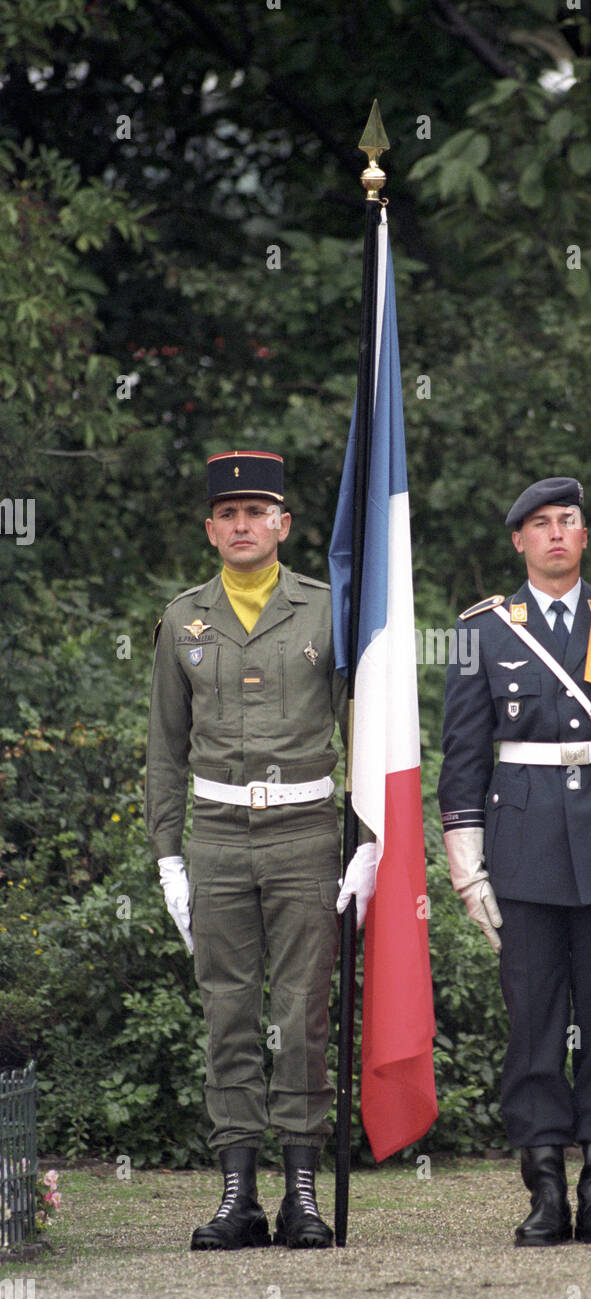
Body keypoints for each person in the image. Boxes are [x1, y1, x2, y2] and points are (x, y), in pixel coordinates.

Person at [145, 449, 375, 1251]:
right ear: (211, 529)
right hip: (215, 839)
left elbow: (367, 732)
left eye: (258, 512)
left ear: (285, 524)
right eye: (228, 514)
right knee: (229, 1015)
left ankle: (302, 1194)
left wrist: (370, 838)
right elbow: (164, 748)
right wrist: (169, 857)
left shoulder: (330, 609)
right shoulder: (183, 618)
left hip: (306, 836)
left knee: (302, 1015)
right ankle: (238, 1194)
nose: (243, 525)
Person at [438, 476, 591, 1247]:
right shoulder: (482, 631)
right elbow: (462, 759)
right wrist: (467, 868)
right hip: (521, 854)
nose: (557, 534)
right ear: (518, 541)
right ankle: (545, 1188)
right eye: (541, 525)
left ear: (586, 537)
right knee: (534, 1026)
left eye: (570, 522)